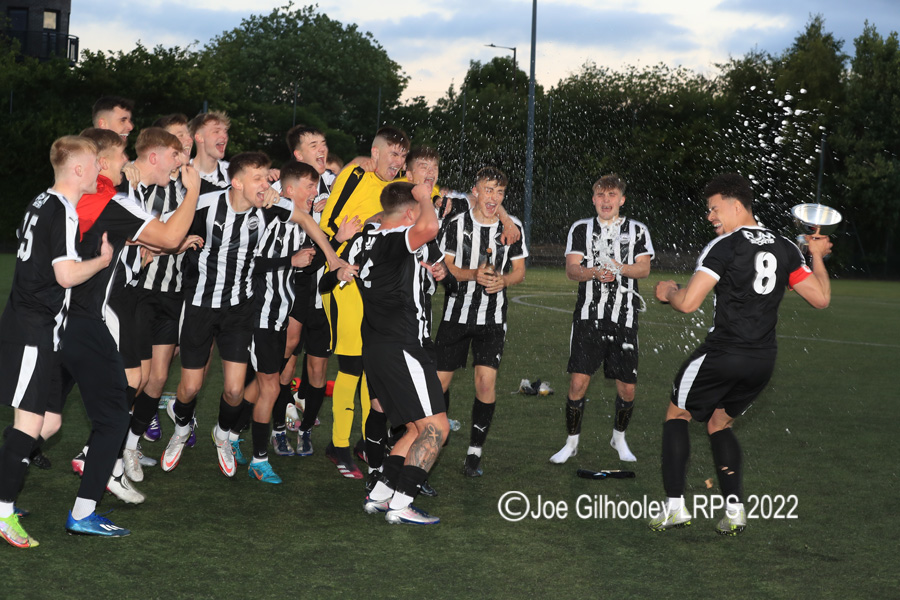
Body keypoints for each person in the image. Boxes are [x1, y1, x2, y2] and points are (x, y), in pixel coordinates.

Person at [650, 173, 832, 535]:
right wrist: (816, 256)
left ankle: (673, 507)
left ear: (736, 205)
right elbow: (821, 298)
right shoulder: (785, 247)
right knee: (719, 423)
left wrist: (667, 291)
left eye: (714, 208)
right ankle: (734, 512)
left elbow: (688, 304)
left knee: (677, 415)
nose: (710, 216)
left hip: (724, 353)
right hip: (762, 362)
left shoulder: (725, 246)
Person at [160, 151, 348, 478]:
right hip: (200, 307)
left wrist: (332, 257)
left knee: (234, 390)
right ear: (237, 182)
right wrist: (176, 244)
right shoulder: (205, 204)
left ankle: (222, 434)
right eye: (258, 179)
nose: (266, 184)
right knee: (189, 387)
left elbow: (305, 219)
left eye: (267, 177)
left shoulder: (269, 208)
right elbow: (165, 232)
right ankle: (181, 429)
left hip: (239, 309)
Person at [61, 130, 201, 536]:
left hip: (62, 312)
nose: (127, 155)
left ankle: (13, 502)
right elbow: (169, 235)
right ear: (100, 160)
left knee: (45, 418)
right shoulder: (111, 197)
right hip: (92, 314)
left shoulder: (62, 199)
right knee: (105, 412)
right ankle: (97, 474)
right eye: (122, 147)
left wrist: (135, 255)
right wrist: (191, 192)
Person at [0, 136, 113, 548]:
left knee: (50, 423)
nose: (99, 172)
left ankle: (3, 490)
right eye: (94, 165)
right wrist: (101, 262)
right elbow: (65, 275)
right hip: (31, 329)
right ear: (78, 170)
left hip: (40, 330)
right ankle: (3, 510)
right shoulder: (62, 210)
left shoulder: (39, 201)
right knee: (28, 425)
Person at [336, 181, 449, 524]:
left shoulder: (367, 238)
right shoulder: (393, 237)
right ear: (409, 214)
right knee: (437, 429)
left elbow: (348, 262)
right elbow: (429, 227)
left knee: (414, 428)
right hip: (401, 346)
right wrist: (424, 196)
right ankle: (402, 504)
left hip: (376, 347)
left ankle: (382, 495)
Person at [317, 126, 411, 479]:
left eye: (403, 156)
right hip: (344, 280)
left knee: (374, 368)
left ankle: (365, 441)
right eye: (393, 155)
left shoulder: (400, 187)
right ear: (375, 153)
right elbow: (327, 226)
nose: (398, 162)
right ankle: (338, 446)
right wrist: (337, 251)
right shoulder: (355, 175)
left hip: (377, 289)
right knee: (352, 365)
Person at [549, 175, 654, 465]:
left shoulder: (637, 230)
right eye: (600, 195)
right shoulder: (581, 228)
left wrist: (618, 268)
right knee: (578, 383)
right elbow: (572, 269)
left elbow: (643, 270)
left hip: (625, 316)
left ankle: (619, 438)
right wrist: (593, 271)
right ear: (593, 199)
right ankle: (571, 444)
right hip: (588, 317)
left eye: (612, 195)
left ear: (622, 199)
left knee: (627, 387)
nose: (606, 200)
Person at [436, 167, 528, 477]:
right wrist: (473, 274)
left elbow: (519, 272)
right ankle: (438, 430)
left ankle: (474, 452)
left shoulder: (512, 228)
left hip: (493, 319)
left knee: (485, 383)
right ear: (475, 191)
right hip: (455, 315)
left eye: (499, 192)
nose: (494, 197)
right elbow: (447, 268)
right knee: (439, 385)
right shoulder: (456, 224)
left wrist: (503, 281)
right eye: (488, 190)